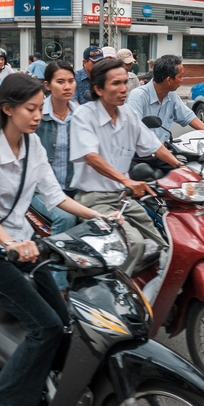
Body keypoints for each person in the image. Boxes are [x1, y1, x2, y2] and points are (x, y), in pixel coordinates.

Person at [0, 73, 112, 406]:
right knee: (45, 327)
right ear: (7, 109)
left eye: (39, 108)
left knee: (64, 324)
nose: (37, 115)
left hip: (29, 251)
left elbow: (56, 196)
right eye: (30, 109)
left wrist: (99, 217)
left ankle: (49, 386)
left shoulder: (33, 145)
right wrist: (8, 243)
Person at [70, 58, 181, 276]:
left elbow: (154, 145)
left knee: (165, 245)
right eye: (116, 84)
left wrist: (182, 167)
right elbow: (91, 156)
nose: (124, 89)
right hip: (94, 200)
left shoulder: (128, 114)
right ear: (99, 89)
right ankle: (119, 297)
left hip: (122, 198)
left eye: (124, 83)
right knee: (135, 244)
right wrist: (126, 180)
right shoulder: (84, 115)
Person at [32, 60, 78, 288]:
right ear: (48, 85)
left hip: (72, 187)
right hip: (39, 189)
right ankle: (57, 287)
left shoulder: (79, 115)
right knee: (66, 218)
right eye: (60, 81)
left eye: (71, 81)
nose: (67, 86)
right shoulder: (37, 114)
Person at [127, 54, 204, 143]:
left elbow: (188, 116)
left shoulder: (171, 95)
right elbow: (135, 133)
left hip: (163, 151)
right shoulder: (137, 97)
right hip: (141, 155)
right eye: (180, 76)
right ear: (169, 80)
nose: (182, 80)